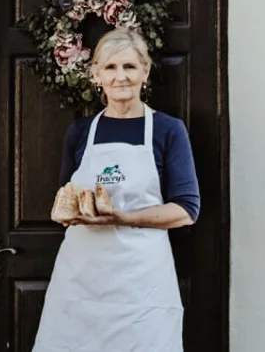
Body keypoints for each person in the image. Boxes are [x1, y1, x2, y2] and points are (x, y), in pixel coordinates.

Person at [33, 28, 199, 352]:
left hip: (141, 281)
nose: (120, 77)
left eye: (129, 67)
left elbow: (186, 210)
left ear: (145, 72)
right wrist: (69, 215)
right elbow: (67, 198)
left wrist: (123, 217)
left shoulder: (167, 130)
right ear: (96, 74)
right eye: (110, 67)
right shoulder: (81, 131)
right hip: (81, 279)